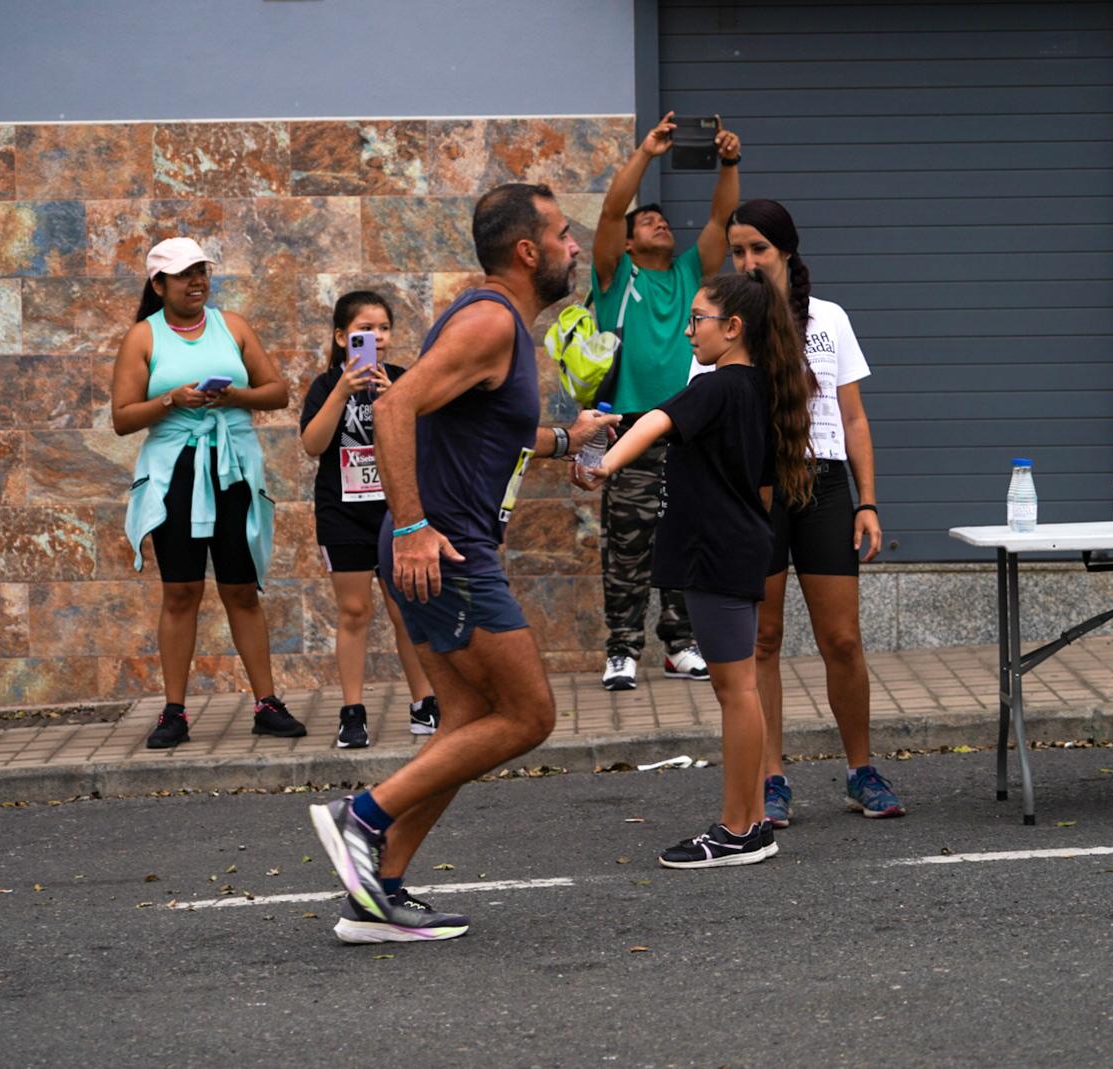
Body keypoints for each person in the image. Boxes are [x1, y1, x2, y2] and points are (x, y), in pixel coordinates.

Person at [308, 184, 619, 942]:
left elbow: (481, 431)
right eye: (563, 235)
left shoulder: (495, 321)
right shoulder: (488, 321)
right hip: (442, 546)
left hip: (437, 540)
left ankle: (376, 893)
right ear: (527, 250)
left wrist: (564, 441)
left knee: (469, 718)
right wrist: (413, 525)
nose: (574, 247)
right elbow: (393, 407)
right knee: (529, 713)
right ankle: (363, 816)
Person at [576, 269, 814, 868]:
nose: (689, 332)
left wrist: (604, 466)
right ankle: (751, 821)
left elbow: (656, 421)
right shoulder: (760, 388)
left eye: (698, 320)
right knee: (741, 691)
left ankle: (738, 829)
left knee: (736, 693)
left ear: (733, 329)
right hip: (735, 547)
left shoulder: (717, 386)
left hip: (718, 552)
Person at [726, 199, 903, 823]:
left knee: (843, 640)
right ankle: (772, 779)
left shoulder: (828, 318)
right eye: (738, 251)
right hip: (758, 492)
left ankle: (862, 770)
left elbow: (853, 418)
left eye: (759, 250)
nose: (747, 262)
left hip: (824, 486)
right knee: (764, 640)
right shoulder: (725, 322)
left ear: (787, 251)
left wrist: (869, 502)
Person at [111, 237, 305, 749]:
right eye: (184, 274)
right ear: (159, 285)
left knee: (241, 588)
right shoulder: (142, 338)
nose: (197, 281)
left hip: (233, 470)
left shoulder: (233, 325)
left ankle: (266, 704)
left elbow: (278, 391)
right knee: (181, 592)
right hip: (175, 473)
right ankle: (174, 712)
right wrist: (171, 400)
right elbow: (122, 418)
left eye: (202, 271)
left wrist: (234, 396)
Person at [587, 111, 742, 691]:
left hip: (686, 426)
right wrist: (648, 151)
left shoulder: (687, 274)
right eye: (646, 221)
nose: (657, 224)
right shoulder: (612, 275)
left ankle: (680, 645)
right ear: (627, 242)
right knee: (626, 546)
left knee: (684, 534)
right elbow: (609, 211)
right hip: (626, 428)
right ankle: (622, 650)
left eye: (660, 219)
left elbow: (723, 218)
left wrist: (728, 162)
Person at [299, 290, 440, 749]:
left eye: (383, 328)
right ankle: (352, 711)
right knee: (355, 611)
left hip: (394, 511)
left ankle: (425, 704)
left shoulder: (402, 379)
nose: (375, 337)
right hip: (342, 513)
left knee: (406, 609)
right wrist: (343, 390)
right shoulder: (325, 385)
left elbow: (424, 441)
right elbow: (313, 444)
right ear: (341, 337)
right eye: (363, 329)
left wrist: (391, 396)